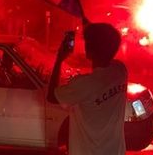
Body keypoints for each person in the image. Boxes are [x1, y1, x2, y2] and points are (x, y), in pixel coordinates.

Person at [47, 23, 128, 155]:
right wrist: (95, 35)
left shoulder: (83, 85)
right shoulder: (120, 71)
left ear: (90, 49)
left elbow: (51, 96)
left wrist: (59, 59)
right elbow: (103, 61)